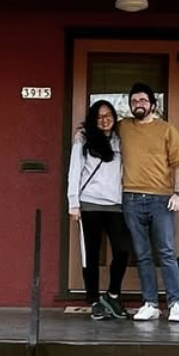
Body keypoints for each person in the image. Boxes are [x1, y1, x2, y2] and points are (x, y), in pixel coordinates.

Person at [119, 82, 179, 322]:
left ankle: (175, 303)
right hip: (131, 198)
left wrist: (177, 193)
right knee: (142, 254)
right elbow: (101, 129)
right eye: (134, 101)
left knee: (166, 252)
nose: (139, 104)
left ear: (152, 104)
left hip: (161, 199)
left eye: (143, 101)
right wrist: (81, 133)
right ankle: (150, 303)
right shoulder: (123, 127)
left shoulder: (167, 130)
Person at [66, 100, 130, 321]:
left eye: (108, 115)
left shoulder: (120, 141)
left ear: (114, 116)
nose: (105, 119)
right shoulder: (83, 140)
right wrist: (73, 203)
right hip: (89, 204)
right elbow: (74, 171)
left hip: (115, 205)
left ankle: (112, 294)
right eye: (99, 116)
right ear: (94, 119)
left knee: (122, 250)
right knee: (90, 255)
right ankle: (94, 300)